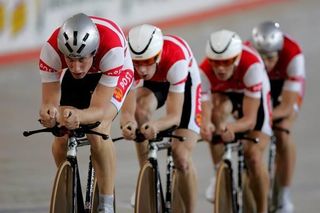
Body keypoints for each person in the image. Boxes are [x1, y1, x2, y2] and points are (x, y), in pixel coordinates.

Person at [38, 13, 134, 213]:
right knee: (60, 134)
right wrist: (50, 114)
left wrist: (79, 117)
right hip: (82, 78)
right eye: (70, 60)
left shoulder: (111, 51)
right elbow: (50, 102)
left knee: (98, 130)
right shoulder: (50, 52)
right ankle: (68, 190)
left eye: (81, 59)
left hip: (113, 71)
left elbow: (98, 110)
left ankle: (106, 203)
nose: (76, 67)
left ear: (93, 52)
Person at [120, 24, 202, 212]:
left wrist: (155, 125)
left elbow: (175, 116)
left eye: (147, 61)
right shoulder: (129, 62)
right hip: (156, 82)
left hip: (183, 85)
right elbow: (127, 110)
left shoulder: (176, 58)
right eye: (136, 62)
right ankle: (147, 177)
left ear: (157, 55)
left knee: (181, 157)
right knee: (139, 112)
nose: (141, 69)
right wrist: (128, 124)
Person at [200, 29, 272, 213]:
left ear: (237, 58)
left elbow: (250, 120)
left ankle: (263, 209)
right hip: (226, 96)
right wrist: (207, 124)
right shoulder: (205, 70)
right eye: (215, 63)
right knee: (216, 113)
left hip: (253, 98)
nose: (220, 68)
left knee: (254, 157)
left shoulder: (252, 66)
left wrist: (231, 126)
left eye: (226, 62)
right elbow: (206, 108)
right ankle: (219, 172)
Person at [250, 21, 306, 213]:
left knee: (283, 133)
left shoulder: (292, 55)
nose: (265, 64)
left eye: (271, 58)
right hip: (262, 89)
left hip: (284, 91)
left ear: (279, 52)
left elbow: (288, 106)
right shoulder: (248, 54)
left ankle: (283, 195)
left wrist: (265, 117)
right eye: (261, 57)